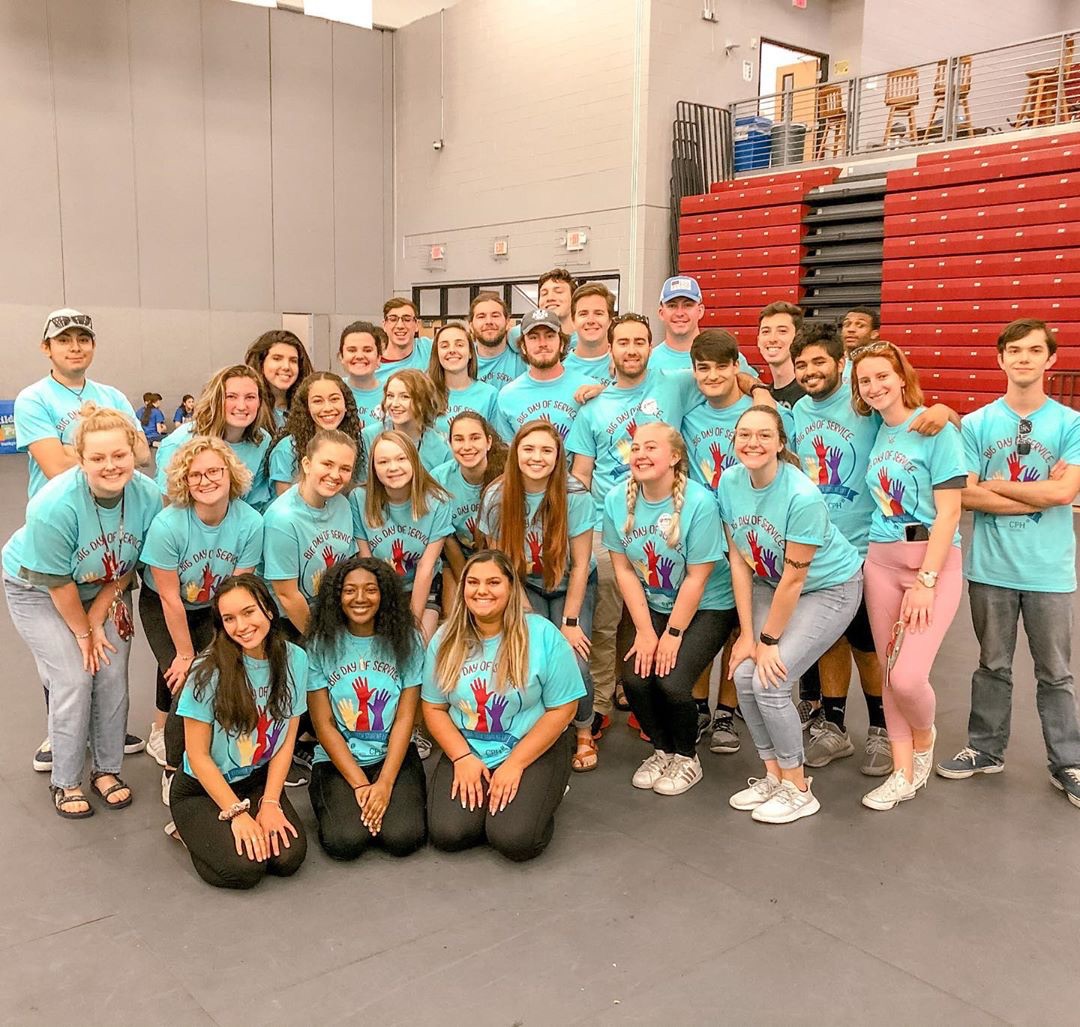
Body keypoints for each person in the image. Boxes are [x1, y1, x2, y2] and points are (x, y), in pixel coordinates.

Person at [937, 318, 1080, 808]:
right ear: (1000, 359)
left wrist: (996, 486)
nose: (1023, 358)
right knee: (991, 665)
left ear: (1050, 359)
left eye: (1033, 350)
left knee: (1056, 673)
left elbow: (1066, 491)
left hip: (1049, 571)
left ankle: (1068, 763)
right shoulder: (977, 424)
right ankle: (984, 750)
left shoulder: (1070, 423)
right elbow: (965, 495)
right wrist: (1040, 496)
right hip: (991, 569)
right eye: (1014, 351)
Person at [2, 404, 161, 817]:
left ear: (134, 451)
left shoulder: (148, 496)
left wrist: (100, 613)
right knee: (74, 674)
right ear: (81, 458)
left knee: (111, 672)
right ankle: (67, 780)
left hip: (106, 586)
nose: (111, 466)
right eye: (98, 458)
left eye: (119, 455)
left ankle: (106, 770)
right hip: (38, 588)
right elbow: (56, 582)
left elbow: (130, 567)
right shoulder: (54, 505)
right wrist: (84, 631)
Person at [720, 406, 864, 823]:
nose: (753, 443)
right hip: (768, 582)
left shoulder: (801, 496)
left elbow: (795, 583)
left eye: (764, 435)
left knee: (771, 679)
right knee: (745, 674)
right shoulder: (730, 482)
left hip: (828, 587)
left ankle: (798, 787)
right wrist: (748, 636)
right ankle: (772, 775)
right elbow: (739, 559)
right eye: (744, 435)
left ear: (781, 443)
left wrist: (768, 642)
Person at [568, 313, 706, 736]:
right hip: (610, 525)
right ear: (610, 349)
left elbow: (733, 377)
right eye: (623, 342)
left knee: (658, 611)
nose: (631, 349)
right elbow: (582, 474)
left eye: (639, 342)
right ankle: (604, 701)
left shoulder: (676, 382)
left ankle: (653, 701)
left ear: (652, 346)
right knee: (608, 619)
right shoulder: (593, 406)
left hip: (670, 520)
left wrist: (759, 390)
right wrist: (583, 533)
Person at [853, 342, 965, 811]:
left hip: (930, 563)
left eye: (883, 376)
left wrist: (927, 580)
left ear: (902, 376)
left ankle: (924, 737)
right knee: (887, 671)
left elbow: (950, 512)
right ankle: (903, 772)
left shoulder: (934, 428)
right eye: (865, 380)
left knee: (909, 676)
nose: (875, 387)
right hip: (880, 560)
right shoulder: (876, 428)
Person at [421, 550, 585, 861]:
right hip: (470, 746)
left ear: (511, 588)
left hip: (532, 745)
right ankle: (505, 799)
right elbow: (433, 708)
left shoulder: (541, 634)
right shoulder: (445, 638)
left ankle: (548, 786)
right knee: (449, 834)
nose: (482, 590)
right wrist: (462, 757)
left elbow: (564, 709)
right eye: (473, 582)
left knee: (514, 839)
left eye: (493, 582)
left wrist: (515, 764)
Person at [602, 422, 734, 795]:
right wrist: (646, 632)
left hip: (708, 604)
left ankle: (687, 757)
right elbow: (625, 570)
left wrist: (672, 635)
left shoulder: (700, 503)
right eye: (636, 447)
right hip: (654, 603)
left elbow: (697, 577)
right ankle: (662, 750)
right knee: (634, 677)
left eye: (651, 447)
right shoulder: (616, 500)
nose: (640, 454)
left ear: (675, 457)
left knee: (672, 680)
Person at [790, 325, 892, 776]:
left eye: (818, 362)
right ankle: (834, 727)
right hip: (824, 550)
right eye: (802, 365)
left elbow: (912, 414)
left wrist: (944, 412)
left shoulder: (863, 405)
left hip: (868, 545)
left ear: (839, 362)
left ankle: (883, 729)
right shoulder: (797, 412)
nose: (810, 371)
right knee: (831, 637)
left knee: (868, 645)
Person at [139, 436, 262, 786]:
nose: (206, 481)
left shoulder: (250, 523)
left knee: (212, 670)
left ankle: (202, 747)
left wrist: (216, 647)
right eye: (195, 475)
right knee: (186, 677)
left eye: (214, 472)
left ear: (230, 474)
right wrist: (185, 653)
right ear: (183, 481)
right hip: (164, 604)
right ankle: (173, 769)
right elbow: (169, 598)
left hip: (215, 608)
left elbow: (237, 593)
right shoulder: (168, 525)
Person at [170, 575, 308, 889]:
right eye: (229, 619)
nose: (241, 626)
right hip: (202, 789)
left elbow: (286, 739)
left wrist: (271, 802)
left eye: (249, 612)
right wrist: (236, 814)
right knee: (245, 870)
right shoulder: (207, 672)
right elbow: (198, 755)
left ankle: (233, 825)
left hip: (256, 780)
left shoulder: (295, 659)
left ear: (269, 611)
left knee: (287, 859)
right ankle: (189, 831)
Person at [481, 420, 598, 771]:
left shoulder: (575, 493)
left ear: (558, 456)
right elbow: (500, 566)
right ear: (515, 452)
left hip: (571, 584)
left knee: (573, 657)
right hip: (522, 584)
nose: (537, 457)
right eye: (529, 449)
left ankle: (583, 731)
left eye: (547, 450)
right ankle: (537, 729)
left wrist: (571, 622)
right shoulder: (496, 496)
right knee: (532, 655)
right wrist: (526, 612)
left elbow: (579, 565)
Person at [305, 556, 428, 859]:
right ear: (337, 596)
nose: (360, 598)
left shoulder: (408, 639)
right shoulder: (320, 643)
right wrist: (361, 786)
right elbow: (324, 725)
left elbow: (404, 718)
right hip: (338, 759)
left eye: (370, 589)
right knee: (344, 842)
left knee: (404, 838)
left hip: (392, 755)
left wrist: (385, 783)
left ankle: (383, 798)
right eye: (350, 590)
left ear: (384, 594)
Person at [679, 329, 762, 754]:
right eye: (703, 368)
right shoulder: (690, 414)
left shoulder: (756, 412)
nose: (711, 376)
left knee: (738, 621)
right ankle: (697, 706)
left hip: (747, 529)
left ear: (737, 368)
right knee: (703, 616)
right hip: (702, 531)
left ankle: (728, 710)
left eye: (720, 367)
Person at [15, 308, 150, 499]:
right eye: (63, 340)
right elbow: (56, 467)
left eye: (83, 340)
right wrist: (118, 454)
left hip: (115, 510)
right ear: (46, 348)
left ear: (93, 345)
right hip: (59, 512)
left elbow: (143, 453)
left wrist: (71, 451)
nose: (75, 347)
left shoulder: (113, 396)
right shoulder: (33, 399)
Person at [351, 430, 451, 642]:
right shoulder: (359, 499)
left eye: (401, 458)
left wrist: (411, 621)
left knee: (419, 642)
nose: (393, 468)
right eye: (383, 461)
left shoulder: (437, 501)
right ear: (373, 468)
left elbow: (426, 566)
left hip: (423, 583)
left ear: (414, 461)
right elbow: (367, 562)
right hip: (380, 586)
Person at [262, 430, 357, 638]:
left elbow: (348, 565)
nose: (335, 475)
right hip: (289, 621)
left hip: (330, 609)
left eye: (345, 468)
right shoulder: (282, 519)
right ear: (306, 464)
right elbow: (286, 595)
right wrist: (319, 641)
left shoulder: (342, 504)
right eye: (327, 464)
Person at [155, 365, 275, 511]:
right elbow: (168, 505)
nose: (242, 406)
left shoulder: (262, 441)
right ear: (216, 399)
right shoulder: (180, 442)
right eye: (231, 397)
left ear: (259, 402)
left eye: (250, 397)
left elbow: (256, 503)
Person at [432, 412, 508, 589]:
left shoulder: (507, 474)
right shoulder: (439, 479)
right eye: (459, 439)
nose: (467, 446)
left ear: (488, 442)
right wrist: (466, 585)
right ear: (450, 444)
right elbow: (448, 540)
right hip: (459, 559)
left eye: (475, 438)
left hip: (503, 556)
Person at [495, 309, 592, 443]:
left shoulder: (587, 389)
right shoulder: (507, 396)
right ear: (523, 346)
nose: (542, 344)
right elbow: (507, 454)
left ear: (562, 343)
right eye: (533, 337)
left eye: (550, 336)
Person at [267, 372, 363, 496]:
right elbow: (284, 504)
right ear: (306, 407)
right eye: (318, 401)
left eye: (334, 399)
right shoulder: (286, 450)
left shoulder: (354, 443)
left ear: (346, 404)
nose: (328, 408)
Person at [650, 276, 752, 374]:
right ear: (661, 313)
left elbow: (755, 388)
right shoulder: (647, 361)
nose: (680, 313)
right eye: (672, 306)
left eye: (688, 305)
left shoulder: (728, 355)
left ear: (700, 311)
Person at [361, 369, 453, 476]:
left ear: (422, 402)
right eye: (390, 396)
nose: (394, 404)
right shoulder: (368, 437)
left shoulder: (440, 447)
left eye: (405, 397)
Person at [427, 322, 500, 436]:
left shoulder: (489, 394)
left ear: (471, 352)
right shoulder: (426, 394)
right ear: (437, 354)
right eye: (444, 346)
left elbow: (496, 443)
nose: (452, 350)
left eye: (459, 345)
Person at [244, 329, 313, 429]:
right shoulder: (246, 407)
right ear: (261, 362)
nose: (286, 366)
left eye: (293, 361)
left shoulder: (309, 407)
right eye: (277, 359)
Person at [469, 291, 526, 387]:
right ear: (470, 325)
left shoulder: (525, 357)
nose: (489, 321)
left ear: (507, 322)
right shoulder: (463, 361)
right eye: (481, 316)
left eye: (495, 316)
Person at [338, 321, 386, 430]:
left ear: (379, 357)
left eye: (367, 350)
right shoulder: (331, 390)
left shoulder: (391, 393)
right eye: (352, 350)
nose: (359, 356)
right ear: (341, 356)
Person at [565, 283, 615, 383]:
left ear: (610, 320)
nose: (591, 320)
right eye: (583, 314)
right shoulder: (560, 370)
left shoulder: (625, 366)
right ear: (573, 321)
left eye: (598, 313)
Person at [376, 297, 432, 382]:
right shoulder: (373, 367)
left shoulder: (428, 348)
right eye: (393, 319)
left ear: (417, 325)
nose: (400, 326)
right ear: (384, 325)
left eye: (407, 319)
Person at [537, 267, 579, 340]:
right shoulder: (525, 340)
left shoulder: (587, 341)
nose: (550, 298)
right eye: (544, 294)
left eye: (558, 292)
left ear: (574, 298)